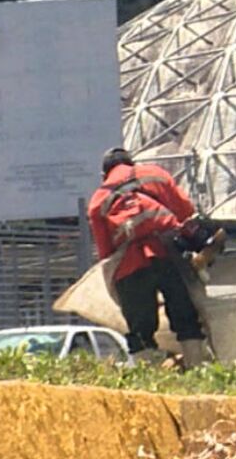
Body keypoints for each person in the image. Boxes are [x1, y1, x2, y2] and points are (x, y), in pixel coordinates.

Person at [87, 148, 210, 364]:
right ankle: (197, 367)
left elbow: (105, 252)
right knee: (186, 317)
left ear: (104, 174)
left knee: (140, 330)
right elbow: (186, 211)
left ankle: (150, 379)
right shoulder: (156, 174)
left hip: (129, 265)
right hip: (169, 254)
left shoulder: (98, 200)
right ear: (131, 163)